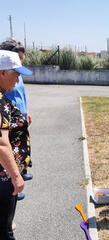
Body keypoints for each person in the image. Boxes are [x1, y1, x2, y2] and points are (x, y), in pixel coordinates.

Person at [0, 50, 32, 239]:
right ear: (2, 72)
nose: (18, 79)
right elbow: (1, 144)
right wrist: (15, 176)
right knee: (4, 229)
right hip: (3, 177)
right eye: (16, 73)